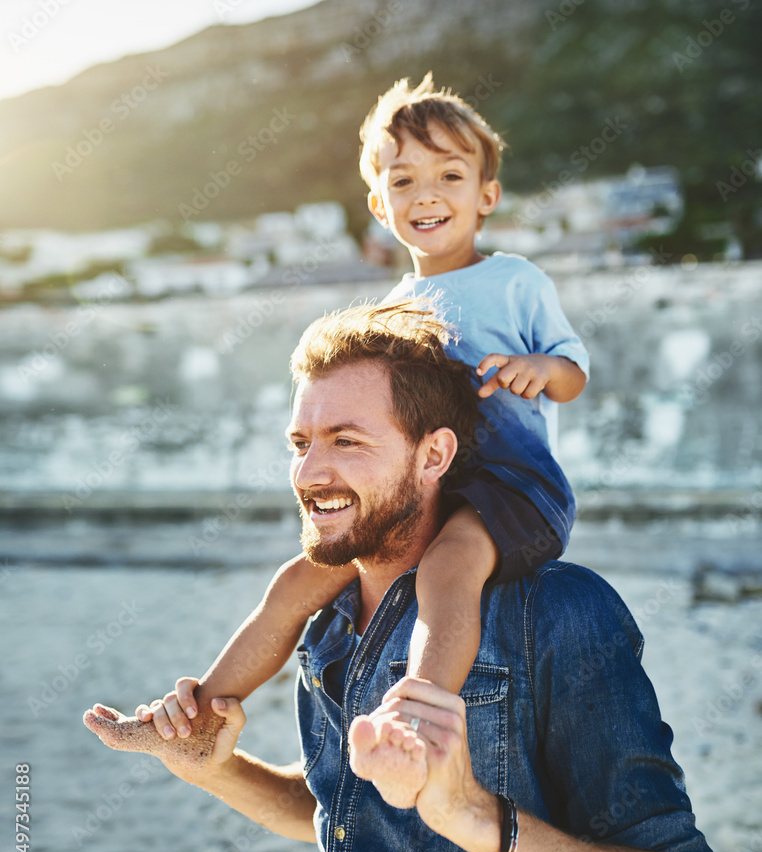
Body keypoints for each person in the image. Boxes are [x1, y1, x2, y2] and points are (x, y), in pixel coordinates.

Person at [85, 300, 718, 852]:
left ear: (434, 455)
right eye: (301, 444)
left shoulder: (560, 613)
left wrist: (473, 816)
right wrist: (214, 769)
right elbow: (344, 812)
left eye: (347, 442)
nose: (308, 474)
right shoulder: (325, 614)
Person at [129, 74, 589, 810]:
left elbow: (574, 373)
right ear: (380, 206)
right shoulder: (393, 310)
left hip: (512, 488)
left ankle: (417, 721)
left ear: (486, 197)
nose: (426, 194)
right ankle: (193, 714)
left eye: (449, 176)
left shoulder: (515, 281)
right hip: (424, 485)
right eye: (403, 179)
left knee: (450, 568)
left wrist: (542, 369)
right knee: (295, 583)